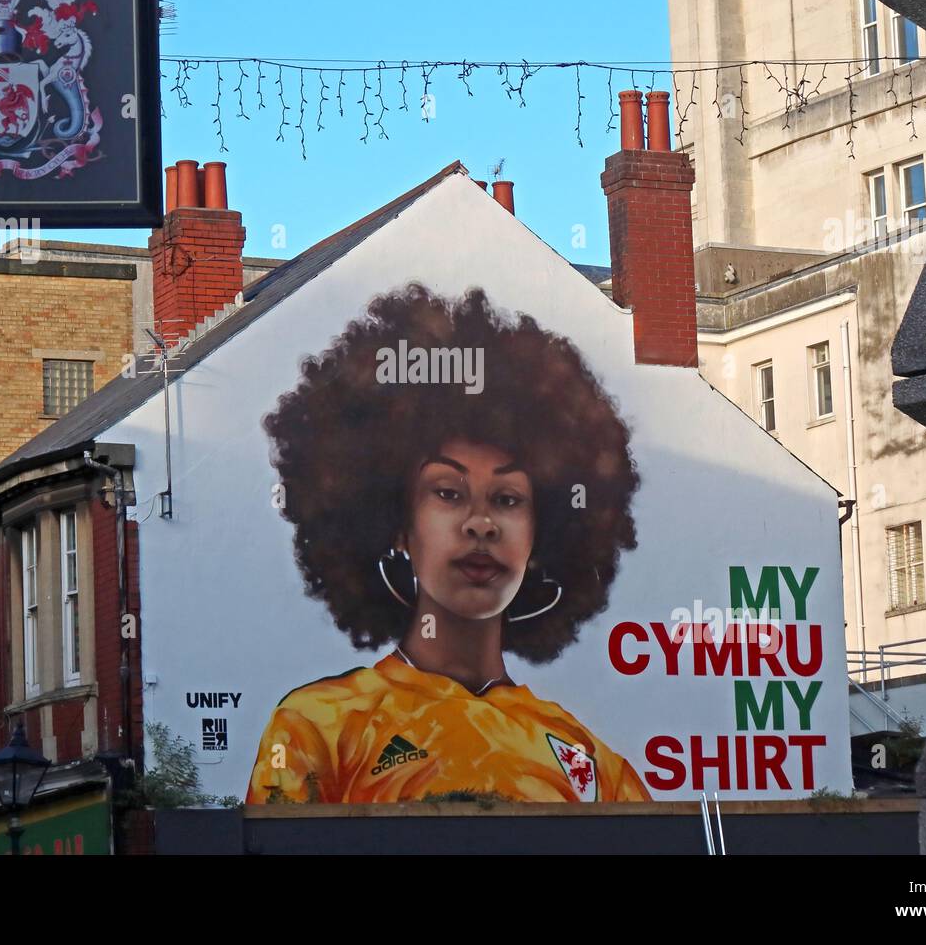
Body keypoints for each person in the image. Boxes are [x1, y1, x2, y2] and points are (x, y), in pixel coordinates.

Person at [247, 284, 649, 803]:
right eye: (448, 492)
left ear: (542, 536)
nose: (481, 523)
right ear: (395, 523)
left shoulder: (590, 760)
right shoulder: (318, 726)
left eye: (507, 499)